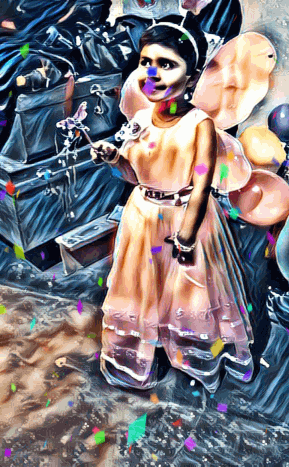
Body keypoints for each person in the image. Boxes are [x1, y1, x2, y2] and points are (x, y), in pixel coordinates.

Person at [90, 20, 254, 393]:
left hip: (184, 218)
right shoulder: (140, 119)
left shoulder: (199, 125)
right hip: (143, 218)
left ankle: (194, 357)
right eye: (146, 62)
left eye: (166, 64)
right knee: (142, 289)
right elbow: (135, 175)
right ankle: (139, 360)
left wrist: (187, 234)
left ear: (191, 77)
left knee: (188, 293)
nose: (153, 73)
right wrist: (115, 158)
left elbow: (201, 185)